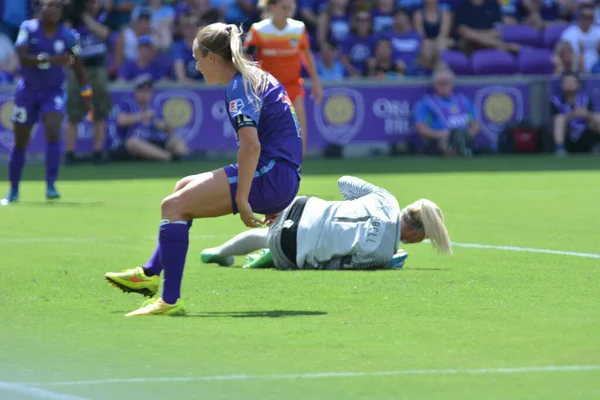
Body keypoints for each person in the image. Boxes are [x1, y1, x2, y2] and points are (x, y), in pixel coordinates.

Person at [104, 22, 303, 317]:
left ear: (212, 56)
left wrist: (244, 198)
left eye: (197, 58)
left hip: (272, 172)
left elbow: (251, 146)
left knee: (172, 206)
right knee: (182, 187)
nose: (195, 65)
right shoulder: (254, 77)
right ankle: (149, 274)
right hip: (279, 173)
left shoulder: (240, 84)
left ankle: (169, 301)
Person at [200, 176, 452, 270]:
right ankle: (272, 255)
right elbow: (341, 264)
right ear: (419, 232)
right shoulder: (383, 253)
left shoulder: (386, 198)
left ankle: (220, 251)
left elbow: (344, 182)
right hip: (292, 247)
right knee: (277, 241)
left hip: (301, 206)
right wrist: (386, 265)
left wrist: (348, 208)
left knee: (270, 234)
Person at [2, 0, 92, 205]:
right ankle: (13, 190)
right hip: (28, 91)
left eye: (58, 7)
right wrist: (49, 59)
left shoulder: (69, 36)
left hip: (53, 91)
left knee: (53, 129)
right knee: (21, 140)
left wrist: (87, 97)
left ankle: (51, 185)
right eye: (50, 6)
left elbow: (77, 67)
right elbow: (22, 56)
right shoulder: (28, 28)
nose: (53, 10)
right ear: (41, 8)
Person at [244, 0, 323, 158]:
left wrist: (316, 82)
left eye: (290, 8)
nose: (288, 11)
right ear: (271, 7)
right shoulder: (259, 29)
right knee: (268, 134)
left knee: (299, 133)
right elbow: (246, 55)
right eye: (284, 7)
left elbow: (307, 56)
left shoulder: (298, 28)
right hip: (267, 91)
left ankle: (297, 168)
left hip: (293, 88)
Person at [64, 0, 112, 165]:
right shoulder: (71, 17)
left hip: (97, 68)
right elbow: (67, 39)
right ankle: (69, 153)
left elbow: (103, 33)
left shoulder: (104, 15)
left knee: (99, 112)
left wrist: (84, 17)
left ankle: (97, 151)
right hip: (77, 69)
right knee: (73, 113)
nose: (93, 4)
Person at [113, 74, 189, 161]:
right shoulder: (128, 104)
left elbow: (170, 130)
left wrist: (164, 126)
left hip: (155, 140)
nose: (144, 94)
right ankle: (168, 157)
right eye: (141, 91)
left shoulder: (155, 107)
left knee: (176, 141)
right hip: (137, 143)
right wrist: (142, 116)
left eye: (147, 91)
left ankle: (186, 158)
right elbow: (121, 120)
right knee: (133, 143)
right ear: (136, 92)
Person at [413, 69, 479, 156]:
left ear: (452, 84)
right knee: (444, 143)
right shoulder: (427, 103)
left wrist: (468, 134)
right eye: (441, 83)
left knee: (462, 139)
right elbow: (421, 128)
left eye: (447, 83)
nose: (444, 86)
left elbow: (475, 124)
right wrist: (442, 134)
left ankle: (462, 149)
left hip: (464, 137)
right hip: (439, 139)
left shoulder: (463, 100)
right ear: (434, 85)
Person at [551, 73, 600, 155]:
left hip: (585, 133)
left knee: (597, 117)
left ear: (578, 84)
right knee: (560, 119)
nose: (569, 84)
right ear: (561, 85)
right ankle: (560, 148)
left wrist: (587, 114)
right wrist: (572, 115)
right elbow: (554, 120)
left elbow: (592, 117)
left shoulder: (585, 99)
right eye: (566, 82)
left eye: (572, 82)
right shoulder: (555, 101)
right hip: (567, 135)